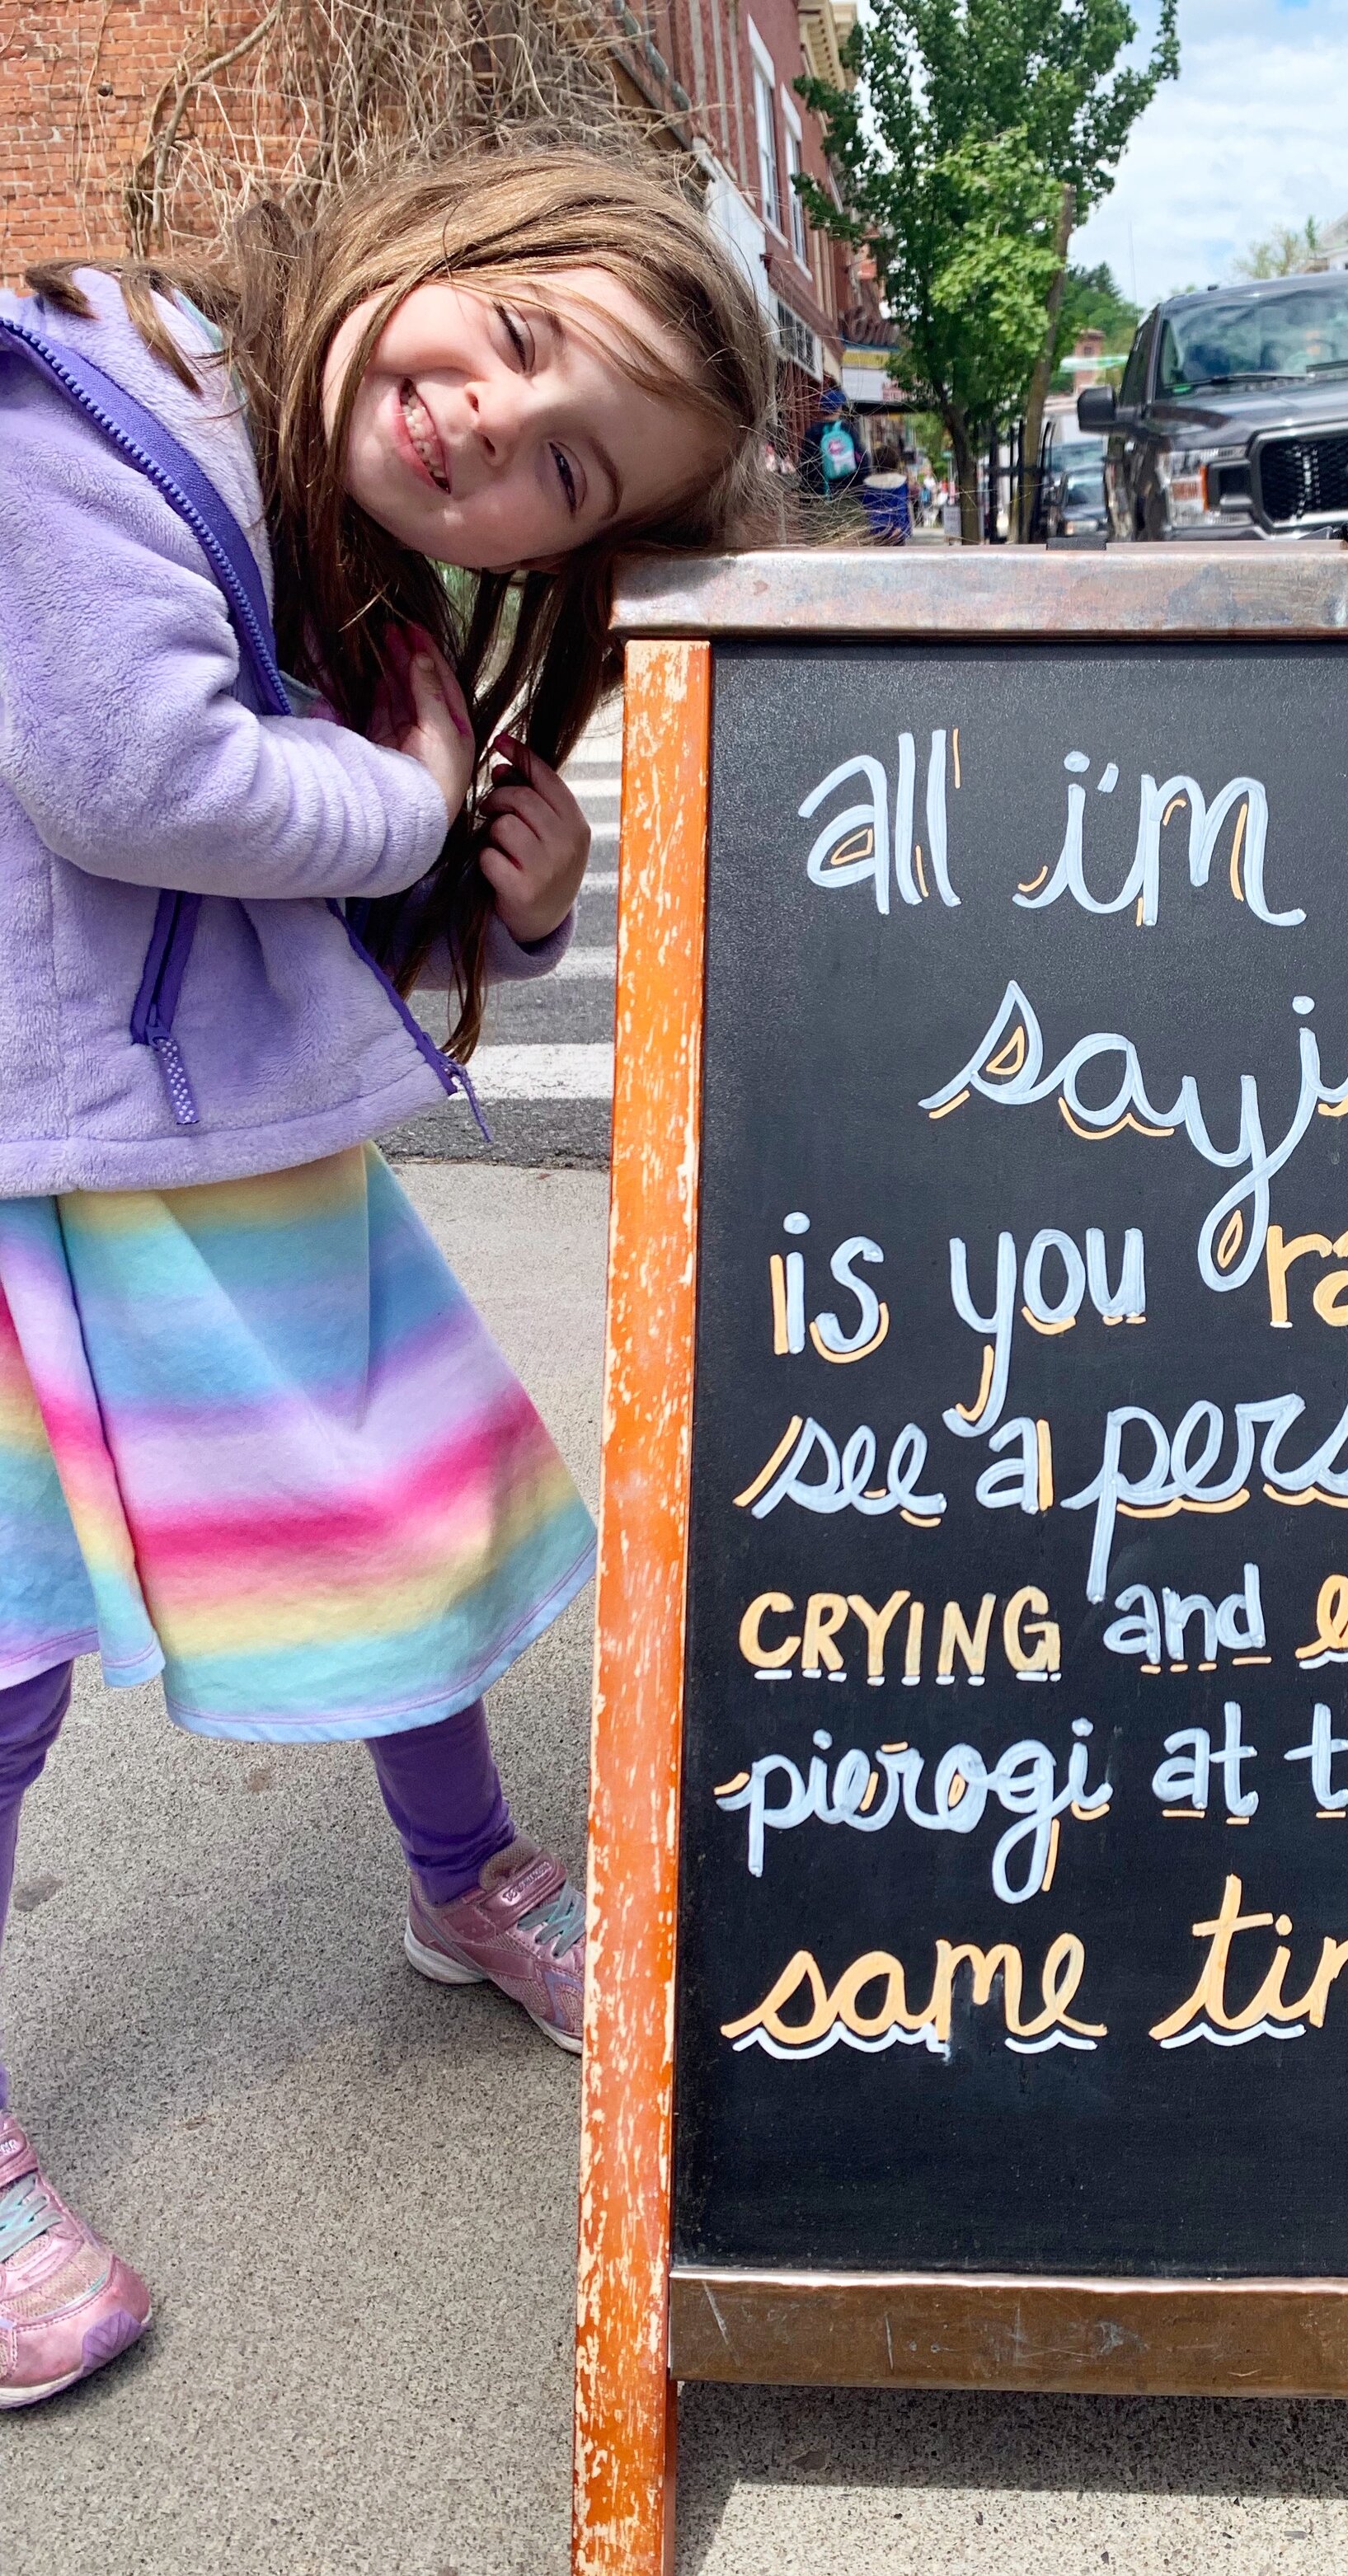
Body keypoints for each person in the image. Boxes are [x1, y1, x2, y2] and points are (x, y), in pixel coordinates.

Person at [0, 148, 782, 2408]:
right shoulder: (101, 392)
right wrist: (415, 806)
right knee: (9, 1647)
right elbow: (130, 777)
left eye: (562, 470)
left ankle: (468, 1876)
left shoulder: (349, 562)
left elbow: (318, 907)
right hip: (28, 1148)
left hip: (209, 1144)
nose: (484, 430)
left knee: (390, 1528)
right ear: (438, 242)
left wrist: (510, 901)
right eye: (515, 341)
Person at [798, 380, 862, 502]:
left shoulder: (812, 433)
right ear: (838, 409)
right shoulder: (847, 430)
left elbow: (806, 467)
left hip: (821, 496)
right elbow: (861, 460)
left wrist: (806, 499)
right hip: (848, 496)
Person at [859, 434, 914, 545]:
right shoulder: (901, 482)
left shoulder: (867, 483)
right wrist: (900, 527)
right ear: (894, 462)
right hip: (895, 531)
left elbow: (865, 508)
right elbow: (901, 505)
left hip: (874, 530)